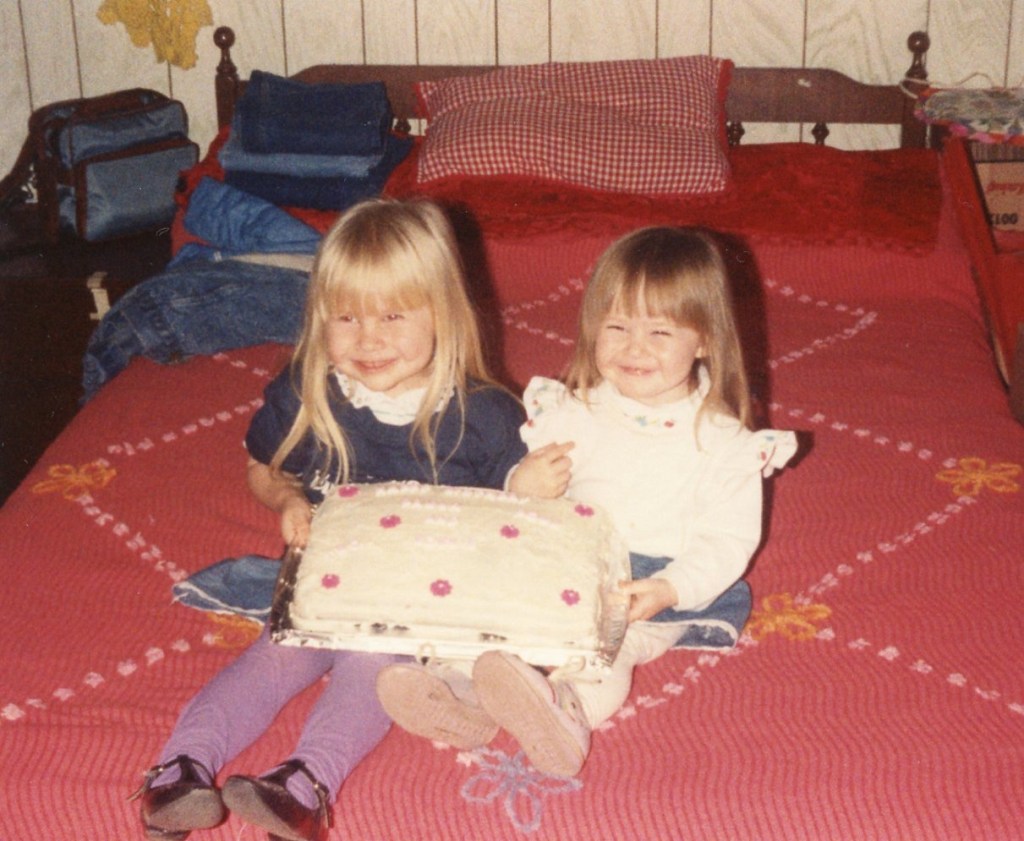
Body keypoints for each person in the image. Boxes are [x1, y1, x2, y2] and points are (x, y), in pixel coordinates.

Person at [130, 198, 538, 841]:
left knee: (371, 666)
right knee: (271, 659)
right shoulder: (307, 389)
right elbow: (262, 467)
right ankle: (179, 770)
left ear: (444, 313)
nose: (368, 339)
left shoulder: (485, 418)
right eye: (345, 317)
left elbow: (517, 528)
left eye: (393, 315)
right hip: (324, 580)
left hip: (416, 597)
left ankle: (304, 786)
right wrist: (288, 500)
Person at [376, 225, 797, 778]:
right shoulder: (574, 411)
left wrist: (671, 587)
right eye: (616, 327)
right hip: (566, 562)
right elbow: (527, 502)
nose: (633, 348)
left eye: (660, 332)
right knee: (493, 609)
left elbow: (727, 541)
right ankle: (460, 692)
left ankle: (567, 712)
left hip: (650, 584)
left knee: (609, 652)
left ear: (705, 340)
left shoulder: (724, 443)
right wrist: (523, 484)